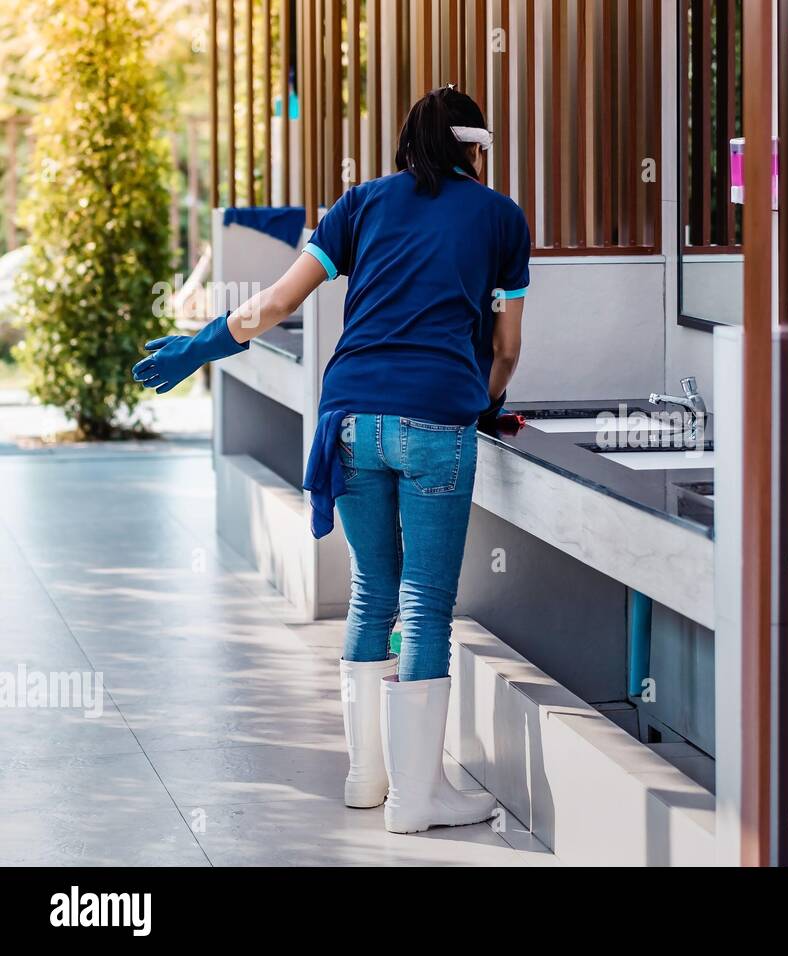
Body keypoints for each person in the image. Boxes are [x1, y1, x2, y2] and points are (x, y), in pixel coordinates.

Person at [132, 86, 529, 835]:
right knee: (424, 601)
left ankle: (365, 779)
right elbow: (506, 349)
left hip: (348, 418)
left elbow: (275, 303)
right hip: (435, 419)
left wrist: (199, 349)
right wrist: (482, 397)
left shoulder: (360, 205)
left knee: (372, 590)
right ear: (475, 146)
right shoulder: (502, 217)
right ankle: (418, 798)